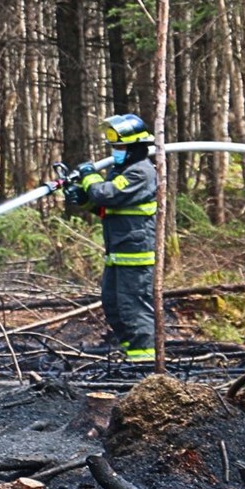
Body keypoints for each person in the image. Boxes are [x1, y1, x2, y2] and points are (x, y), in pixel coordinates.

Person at [64, 114, 159, 363]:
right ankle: (132, 355)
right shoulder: (123, 171)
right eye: (114, 147)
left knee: (134, 310)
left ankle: (145, 366)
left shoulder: (141, 173)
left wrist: (88, 175)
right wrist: (84, 199)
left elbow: (105, 194)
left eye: (120, 147)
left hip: (136, 258)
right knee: (114, 307)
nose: (116, 152)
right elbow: (106, 209)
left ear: (136, 146)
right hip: (118, 254)